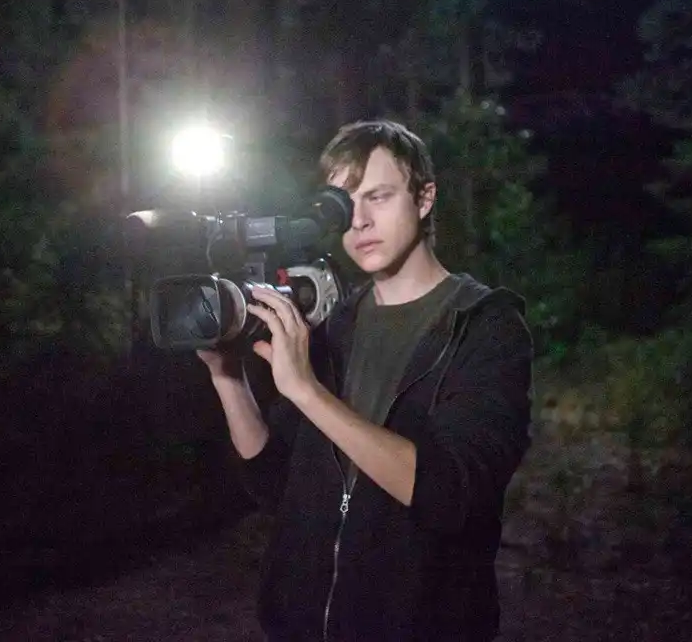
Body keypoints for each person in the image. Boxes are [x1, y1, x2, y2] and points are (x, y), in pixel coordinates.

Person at [198, 119, 534, 641]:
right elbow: (274, 483)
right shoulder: (337, 325)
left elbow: (454, 496)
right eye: (342, 205)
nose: (359, 221)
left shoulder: (483, 325)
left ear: (425, 198)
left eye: (378, 197)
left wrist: (307, 390)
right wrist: (226, 375)